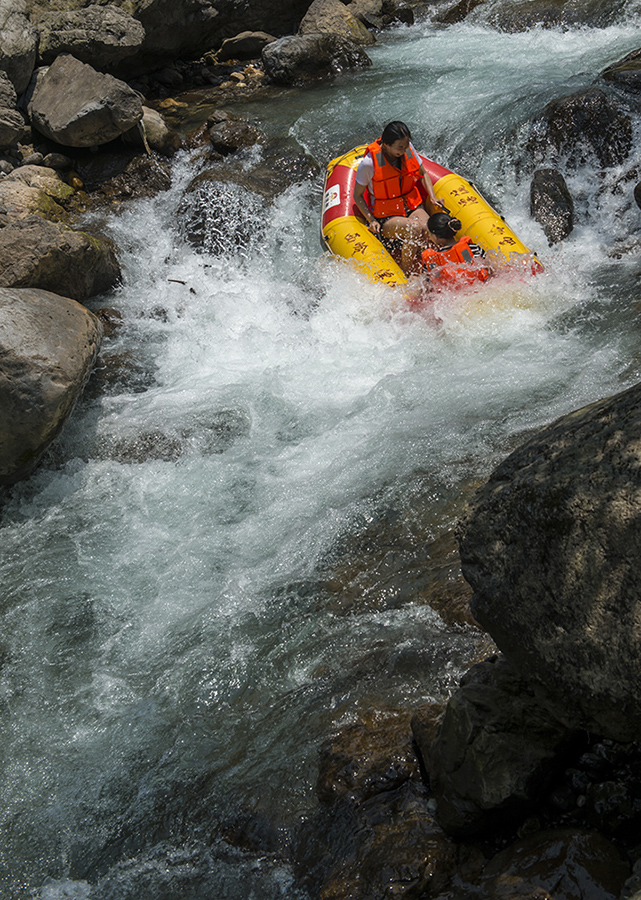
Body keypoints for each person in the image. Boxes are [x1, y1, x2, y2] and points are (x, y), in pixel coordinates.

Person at [353, 121, 444, 275]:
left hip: (411, 206)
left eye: (406, 145)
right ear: (386, 145)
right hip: (387, 217)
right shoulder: (369, 163)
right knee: (413, 228)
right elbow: (357, 195)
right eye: (399, 148)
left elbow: (423, 174)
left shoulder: (408, 149)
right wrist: (371, 220)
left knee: (429, 228)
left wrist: (433, 197)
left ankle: (434, 267)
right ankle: (409, 274)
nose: (404, 150)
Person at [421, 212, 493, 289]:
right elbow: (490, 269)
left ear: (435, 237)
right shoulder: (472, 248)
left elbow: (427, 287)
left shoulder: (430, 261)